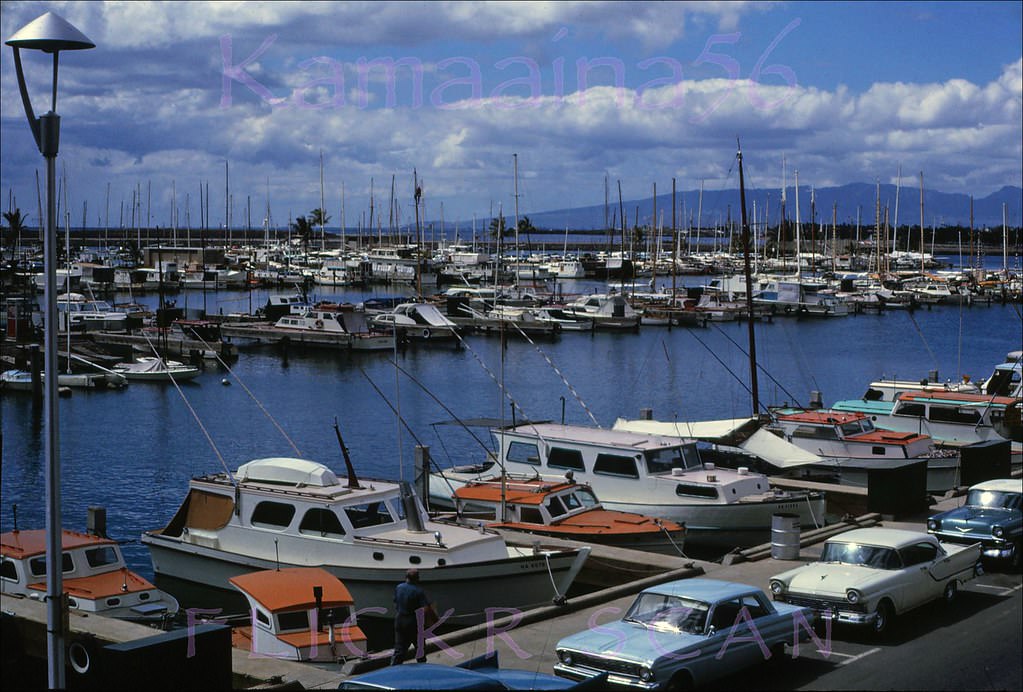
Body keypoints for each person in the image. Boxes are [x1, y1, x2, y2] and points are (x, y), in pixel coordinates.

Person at [390, 568, 433, 665]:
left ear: (406, 577)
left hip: (400, 619)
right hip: (413, 621)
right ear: (417, 578)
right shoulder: (418, 591)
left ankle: (394, 668)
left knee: (399, 648)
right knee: (419, 647)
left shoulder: (399, 587)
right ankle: (422, 668)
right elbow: (425, 609)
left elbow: (395, 602)